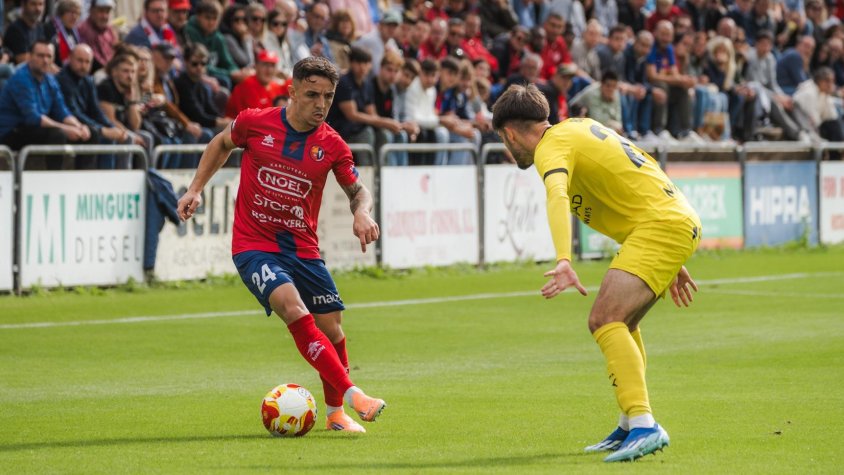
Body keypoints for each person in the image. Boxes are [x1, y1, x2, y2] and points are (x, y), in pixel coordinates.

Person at [491, 84, 701, 463]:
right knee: (625, 321)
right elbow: (634, 175)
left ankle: (644, 424)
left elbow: (557, 195)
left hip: (660, 226)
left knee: (605, 319)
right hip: (667, 221)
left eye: (504, 142)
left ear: (510, 133)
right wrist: (674, 251)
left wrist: (563, 259)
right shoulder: (579, 127)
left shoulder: (550, 148)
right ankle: (629, 423)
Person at [176, 56, 387, 433]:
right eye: (312, 95)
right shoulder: (254, 122)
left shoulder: (332, 145)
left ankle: (336, 415)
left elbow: (358, 191)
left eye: (328, 96)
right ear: (292, 91)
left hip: (302, 249)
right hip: (253, 245)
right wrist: (195, 188)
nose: (321, 104)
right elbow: (221, 143)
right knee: (293, 307)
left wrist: (362, 213)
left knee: (333, 331)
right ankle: (354, 395)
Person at [0, 40, 90, 169]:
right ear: (30, 57)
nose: (45, 60)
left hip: (33, 128)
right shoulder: (21, 79)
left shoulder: (50, 80)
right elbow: (33, 117)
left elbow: (61, 110)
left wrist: (79, 126)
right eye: (40, 56)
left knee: (90, 133)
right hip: (12, 131)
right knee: (57, 134)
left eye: (49, 56)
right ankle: (52, 178)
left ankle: (84, 178)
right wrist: (66, 129)